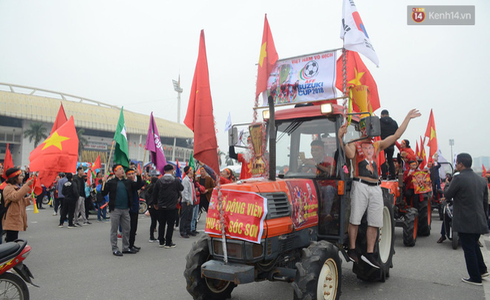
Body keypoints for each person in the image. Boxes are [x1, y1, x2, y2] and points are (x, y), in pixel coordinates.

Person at [339, 109, 420, 269]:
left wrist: (407, 118)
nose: (370, 129)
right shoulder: (355, 144)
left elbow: (396, 135)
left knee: (375, 222)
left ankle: (370, 253)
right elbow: (349, 155)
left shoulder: (377, 145)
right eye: (367, 126)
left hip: (376, 186)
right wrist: (341, 136)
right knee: (355, 219)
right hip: (360, 184)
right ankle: (353, 249)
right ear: (363, 129)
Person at [444, 153, 489, 285]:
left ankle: (475, 277)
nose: (456, 165)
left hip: (465, 220)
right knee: (474, 244)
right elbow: (485, 202)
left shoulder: (459, 179)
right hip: (479, 219)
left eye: (457, 163)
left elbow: (448, 195)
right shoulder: (481, 180)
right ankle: (482, 269)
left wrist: (447, 184)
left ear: (461, 164)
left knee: (468, 248)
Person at [102, 164, 142, 256]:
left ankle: (125, 247)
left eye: (122, 169)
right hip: (115, 209)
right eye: (119, 169)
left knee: (127, 229)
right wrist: (103, 183)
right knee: (114, 230)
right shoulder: (111, 182)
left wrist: (139, 176)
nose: (122, 171)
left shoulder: (127, 182)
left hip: (126, 209)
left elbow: (137, 186)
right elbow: (104, 193)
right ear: (115, 172)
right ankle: (115, 248)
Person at [154, 164, 184, 248]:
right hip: (172, 206)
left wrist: (155, 203)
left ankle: (161, 241)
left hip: (161, 206)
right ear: (171, 171)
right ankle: (168, 242)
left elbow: (155, 193)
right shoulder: (175, 181)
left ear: (164, 171)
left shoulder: (159, 181)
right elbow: (181, 188)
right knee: (170, 224)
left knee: (161, 224)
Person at [2, 167, 33, 242]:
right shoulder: (8, 188)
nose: (21, 177)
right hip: (11, 219)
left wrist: (27, 199)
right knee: (11, 240)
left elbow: (18, 203)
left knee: (14, 240)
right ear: (14, 178)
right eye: (20, 176)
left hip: (15, 218)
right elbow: (16, 197)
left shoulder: (15, 187)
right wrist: (26, 185)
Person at [126, 168, 144, 252]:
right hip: (131, 208)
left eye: (133, 173)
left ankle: (132, 244)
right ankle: (129, 245)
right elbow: (138, 185)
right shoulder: (128, 183)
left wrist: (143, 179)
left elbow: (140, 184)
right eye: (129, 174)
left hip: (135, 208)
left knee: (134, 228)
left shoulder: (132, 183)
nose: (131, 175)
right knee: (131, 228)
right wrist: (139, 176)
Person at [379, 109, 398, 180]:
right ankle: (392, 175)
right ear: (388, 114)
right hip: (391, 144)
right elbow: (397, 132)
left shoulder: (379, 122)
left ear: (381, 115)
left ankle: (384, 175)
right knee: (390, 160)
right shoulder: (394, 123)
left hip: (382, 144)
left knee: (382, 160)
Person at [180, 166, 195, 238]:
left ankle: (188, 230)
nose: (192, 171)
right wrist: (187, 199)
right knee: (185, 217)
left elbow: (192, 190)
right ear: (188, 171)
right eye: (191, 170)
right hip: (187, 201)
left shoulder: (191, 179)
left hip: (191, 201)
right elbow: (184, 191)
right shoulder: (185, 180)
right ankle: (183, 231)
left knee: (189, 217)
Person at [145, 176, 159, 242]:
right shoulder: (156, 188)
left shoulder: (148, 187)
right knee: (160, 221)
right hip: (156, 205)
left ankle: (151, 236)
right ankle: (159, 237)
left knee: (153, 221)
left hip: (150, 205)